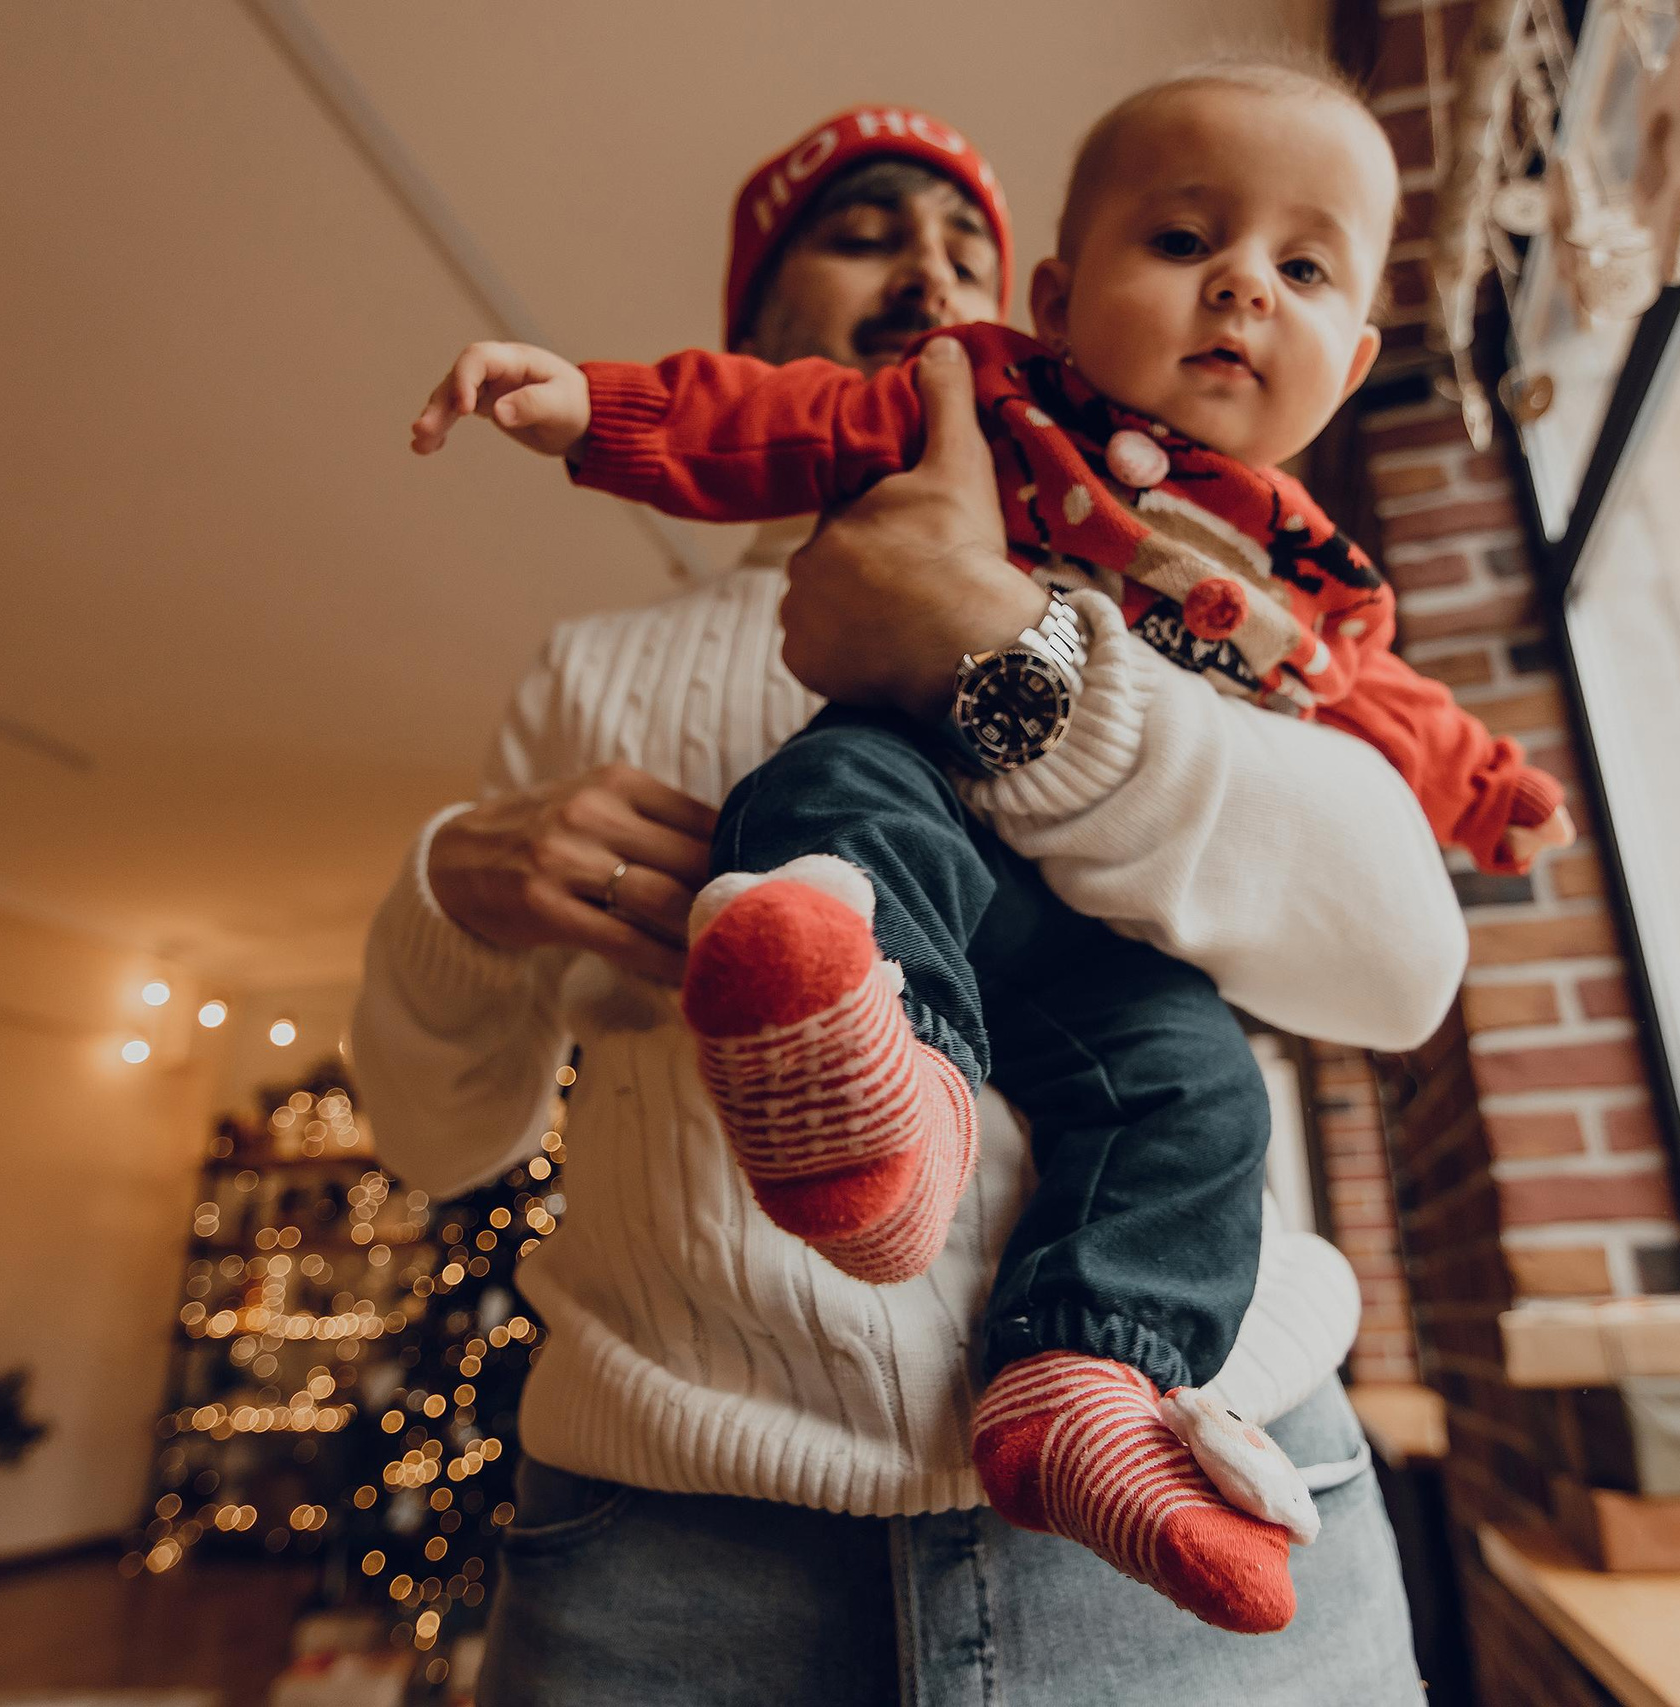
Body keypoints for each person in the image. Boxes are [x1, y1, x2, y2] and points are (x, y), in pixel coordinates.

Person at [414, 57, 1568, 1635]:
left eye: (962, 240)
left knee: (1199, 1088)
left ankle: (1085, 1387)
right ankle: (875, 1103)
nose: (927, 276)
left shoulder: (1297, 582)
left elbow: (1403, 939)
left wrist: (1493, 789)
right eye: (866, 233)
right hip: (676, 1533)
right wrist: (586, 412)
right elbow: (437, 1139)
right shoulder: (970, 416)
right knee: (832, 811)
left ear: (1348, 357)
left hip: (1192, 1466)